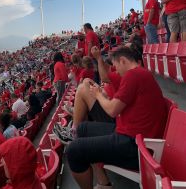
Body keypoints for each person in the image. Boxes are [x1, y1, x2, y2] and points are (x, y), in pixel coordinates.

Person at [65, 45, 170, 189]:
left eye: (115, 66)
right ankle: (104, 183)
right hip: (131, 135)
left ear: (123, 61)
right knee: (83, 129)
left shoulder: (133, 75)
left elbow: (112, 110)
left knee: (73, 151)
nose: (117, 71)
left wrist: (97, 95)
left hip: (136, 146)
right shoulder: (140, 74)